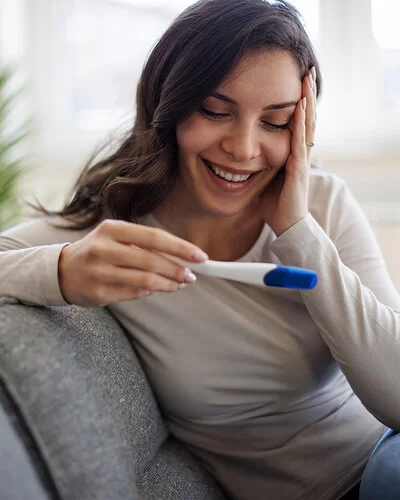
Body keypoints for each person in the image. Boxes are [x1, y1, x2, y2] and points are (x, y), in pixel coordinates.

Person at [0, 0, 399, 498]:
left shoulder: (323, 204)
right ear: (167, 104)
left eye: (275, 122)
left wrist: (298, 231)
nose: (243, 148)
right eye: (215, 111)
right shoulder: (115, 240)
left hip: (384, 459)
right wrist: (60, 270)